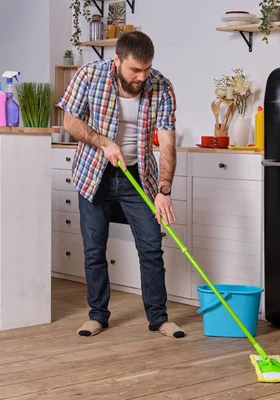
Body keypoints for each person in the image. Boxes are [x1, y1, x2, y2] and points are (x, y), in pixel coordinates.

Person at [58, 31, 185, 339]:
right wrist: (103, 143)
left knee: (152, 247)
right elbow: (69, 121)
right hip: (94, 173)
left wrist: (164, 190)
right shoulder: (89, 75)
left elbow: (167, 143)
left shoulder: (162, 86)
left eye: (146, 69)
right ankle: (98, 315)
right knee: (94, 248)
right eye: (135, 70)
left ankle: (158, 318)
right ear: (117, 61)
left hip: (138, 176)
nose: (142, 76)